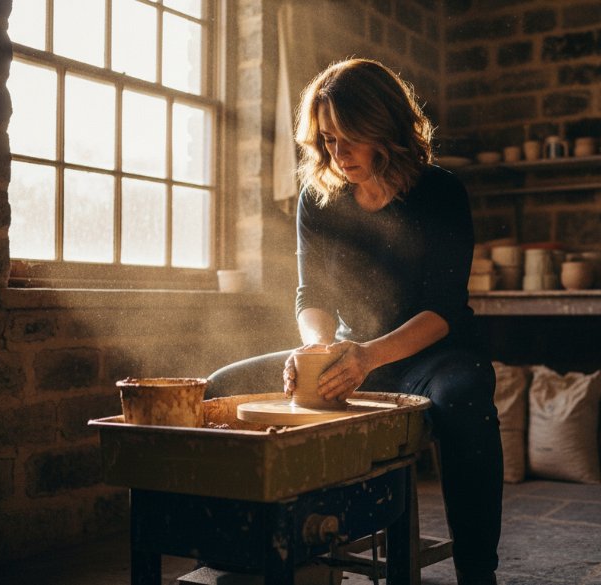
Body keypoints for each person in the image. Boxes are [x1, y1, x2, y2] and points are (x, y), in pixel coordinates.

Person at [206, 58, 503, 585]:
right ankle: (245, 552)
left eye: (347, 139)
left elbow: (443, 311)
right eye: (325, 141)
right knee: (220, 389)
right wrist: (319, 350)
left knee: (467, 398)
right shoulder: (320, 199)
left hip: (432, 355)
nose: (336, 155)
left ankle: (478, 571)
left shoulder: (440, 193)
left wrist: (367, 357)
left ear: (384, 129)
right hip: (350, 349)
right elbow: (311, 295)